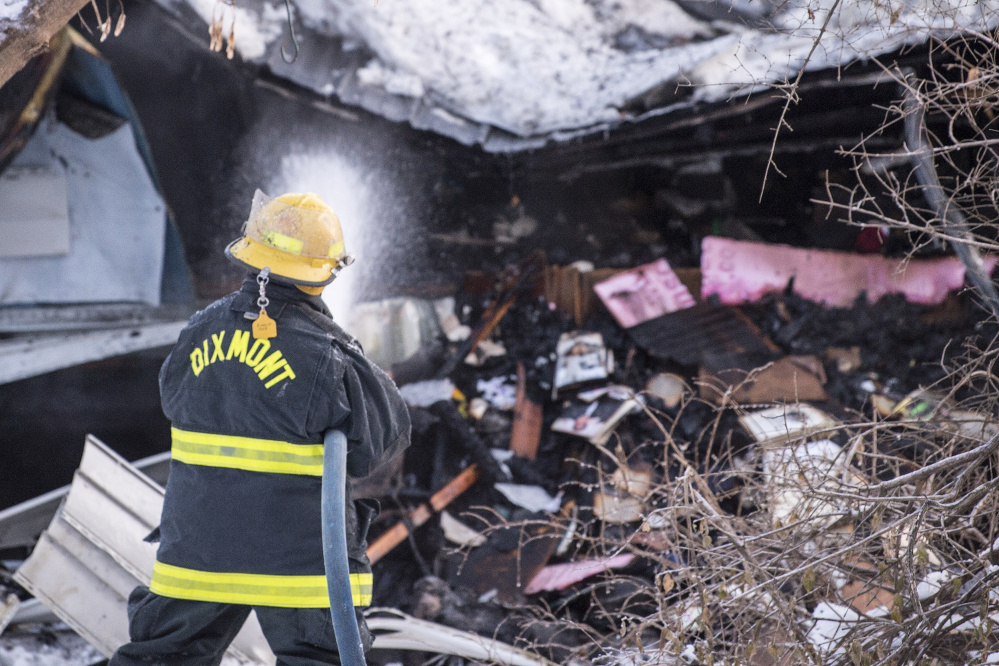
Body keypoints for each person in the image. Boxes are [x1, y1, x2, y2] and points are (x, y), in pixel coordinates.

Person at [110, 191, 411, 666]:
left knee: (161, 658)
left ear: (250, 255)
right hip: (300, 567)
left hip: (196, 555)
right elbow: (379, 440)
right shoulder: (329, 354)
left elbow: (173, 400)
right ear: (325, 272)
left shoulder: (197, 332)